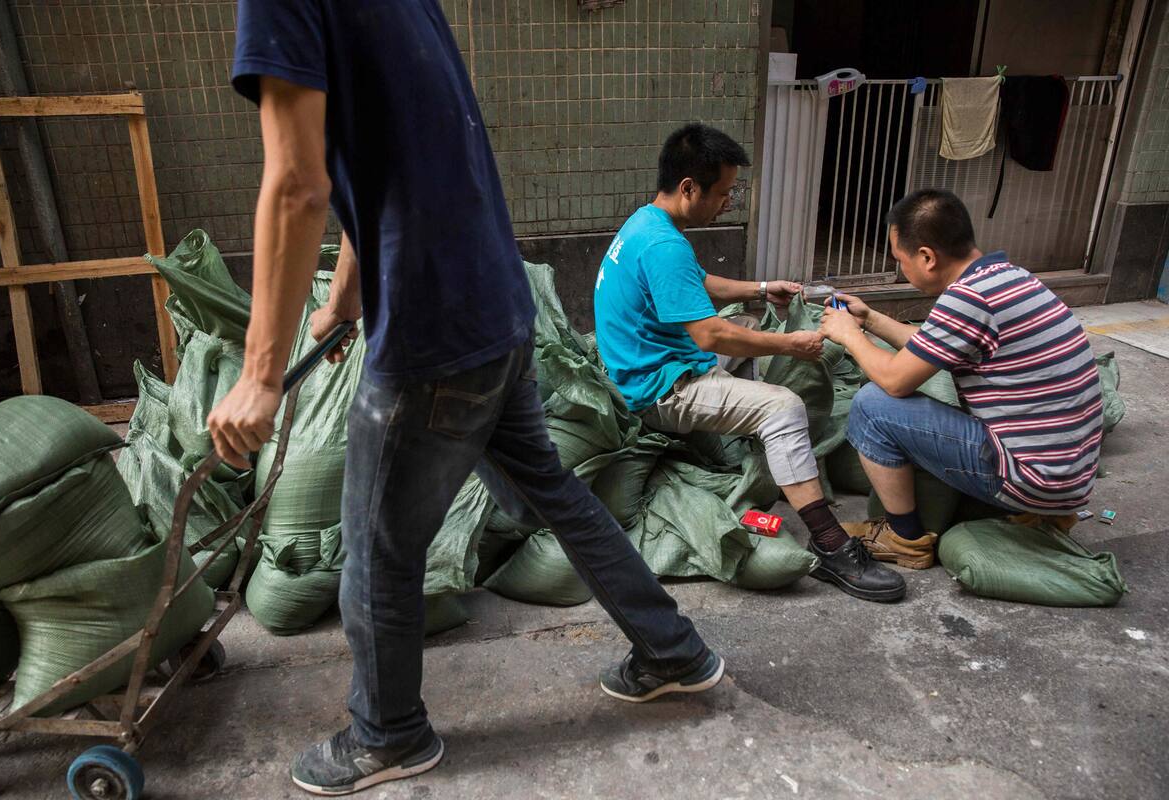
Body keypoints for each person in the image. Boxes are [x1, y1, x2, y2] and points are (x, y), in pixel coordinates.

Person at [209, 1, 722, 795]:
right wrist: (346, 301)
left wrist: (261, 373)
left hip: (432, 339)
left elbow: (299, 185)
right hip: (496, 309)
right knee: (552, 493)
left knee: (378, 549)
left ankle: (387, 735)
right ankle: (674, 650)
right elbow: (379, 163)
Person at [593, 123, 905, 603]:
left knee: (746, 343)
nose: (727, 202)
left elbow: (698, 283)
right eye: (722, 193)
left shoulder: (647, 223)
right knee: (783, 407)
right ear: (688, 188)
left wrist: (761, 289)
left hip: (646, 362)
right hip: (658, 388)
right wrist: (790, 345)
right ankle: (832, 548)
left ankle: (775, 463)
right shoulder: (663, 245)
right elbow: (710, 332)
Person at [819, 189, 1103, 570]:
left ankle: (904, 539)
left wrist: (849, 336)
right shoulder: (1006, 278)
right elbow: (928, 348)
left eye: (900, 260)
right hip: (1068, 477)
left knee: (873, 405)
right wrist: (868, 319)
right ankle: (1043, 514)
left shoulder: (968, 299)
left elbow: (895, 380)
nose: (901, 269)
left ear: (927, 257)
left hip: (1032, 477)